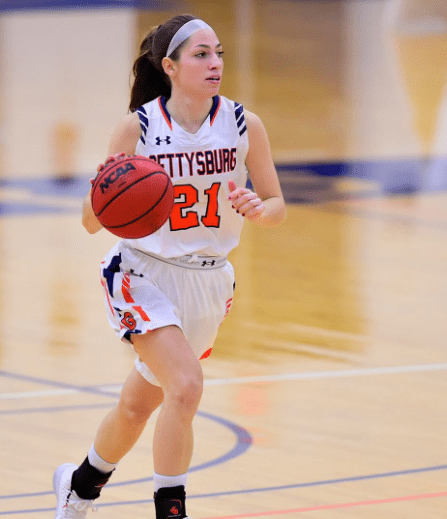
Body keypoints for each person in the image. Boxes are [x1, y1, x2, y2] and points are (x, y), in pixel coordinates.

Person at [53, 13, 286, 519]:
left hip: (208, 280)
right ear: (170, 66)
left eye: (218, 52)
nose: (215, 63)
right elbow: (92, 224)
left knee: (138, 407)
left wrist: (258, 208)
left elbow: (276, 204)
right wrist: (105, 189)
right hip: (142, 272)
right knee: (185, 387)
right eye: (201, 54)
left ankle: (79, 487)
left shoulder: (245, 124)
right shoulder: (138, 127)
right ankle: (171, 512)